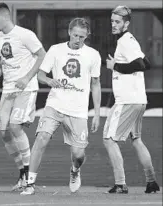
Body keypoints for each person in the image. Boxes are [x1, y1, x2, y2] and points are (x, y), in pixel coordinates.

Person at [21, 17, 101, 195]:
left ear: (87, 36)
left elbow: (95, 84)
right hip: (55, 105)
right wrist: (49, 80)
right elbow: (41, 75)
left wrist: (96, 113)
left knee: (79, 155)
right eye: (75, 35)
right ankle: (29, 183)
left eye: (82, 37)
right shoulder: (55, 50)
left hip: (79, 112)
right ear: (69, 32)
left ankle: (75, 170)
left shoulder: (93, 55)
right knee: (41, 138)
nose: (77, 40)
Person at [103, 5, 160, 194]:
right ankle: (151, 182)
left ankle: (120, 184)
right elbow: (148, 63)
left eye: (117, 22)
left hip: (127, 100)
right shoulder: (130, 41)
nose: (113, 24)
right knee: (136, 140)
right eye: (112, 21)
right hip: (138, 100)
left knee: (109, 140)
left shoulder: (126, 41)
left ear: (126, 23)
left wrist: (115, 66)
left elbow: (140, 65)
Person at [0, 3, 46, 191]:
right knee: (4, 132)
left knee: (15, 126)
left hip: (26, 88)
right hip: (8, 90)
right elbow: (4, 57)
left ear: (5, 16)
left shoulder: (25, 34)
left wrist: (27, 77)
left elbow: (42, 55)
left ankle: (29, 177)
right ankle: (22, 174)